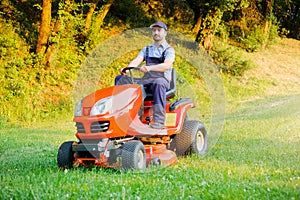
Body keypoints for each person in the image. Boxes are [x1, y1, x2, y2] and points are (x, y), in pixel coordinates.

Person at [116, 21, 175, 129]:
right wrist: (127, 70)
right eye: (154, 30)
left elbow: (167, 65)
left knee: (158, 82)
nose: (156, 32)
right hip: (147, 80)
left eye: (159, 30)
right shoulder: (147, 49)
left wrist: (149, 68)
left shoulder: (169, 50)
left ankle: (159, 121)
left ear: (165, 33)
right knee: (120, 79)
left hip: (161, 79)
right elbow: (136, 60)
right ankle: (121, 115)